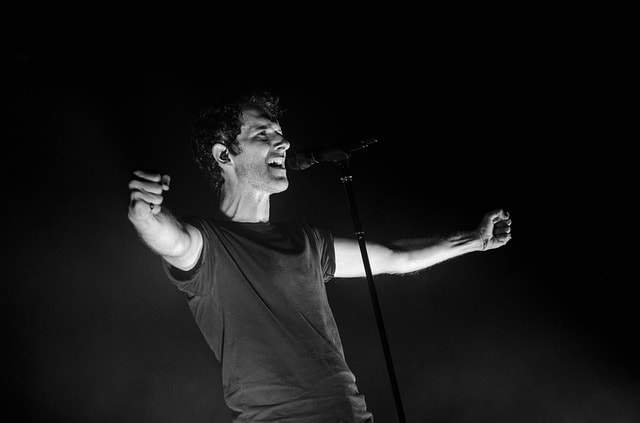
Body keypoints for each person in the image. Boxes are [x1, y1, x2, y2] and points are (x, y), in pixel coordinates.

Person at [127, 92, 512, 422]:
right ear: (224, 154)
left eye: (281, 133)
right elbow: (169, 238)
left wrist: (475, 240)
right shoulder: (208, 243)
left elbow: (393, 256)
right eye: (264, 134)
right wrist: (145, 211)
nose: (283, 143)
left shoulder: (305, 241)